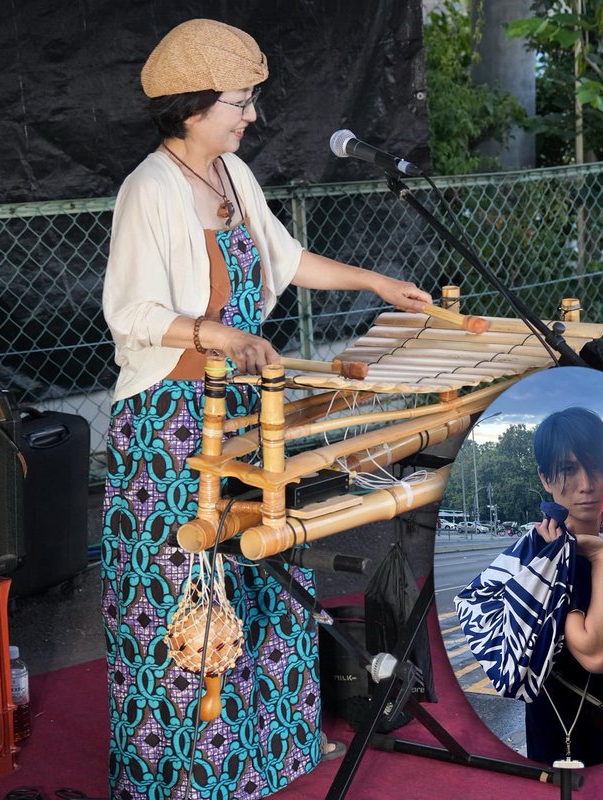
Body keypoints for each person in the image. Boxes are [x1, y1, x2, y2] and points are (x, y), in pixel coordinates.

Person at [100, 19, 428, 798]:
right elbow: (131, 314)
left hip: (239, 407)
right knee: (185, 594)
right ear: (192, 107)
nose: (251, 117)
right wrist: (218, 332)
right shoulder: (150, 189)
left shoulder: (231, 177)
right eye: (239, 103)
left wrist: (375, 283)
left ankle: (266, 756)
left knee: (266, 571)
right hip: (168, 426)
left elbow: (287, 258)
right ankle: (185, 778)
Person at [526, 407, 603, 766]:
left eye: (595, 466)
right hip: (569, 738)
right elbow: (597, 656)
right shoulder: (555, 558)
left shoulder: (574, 542)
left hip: (588, 724)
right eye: (569, 470)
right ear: (545, 477)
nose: (586, 483)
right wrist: (601, 558)